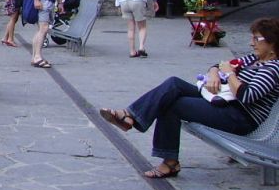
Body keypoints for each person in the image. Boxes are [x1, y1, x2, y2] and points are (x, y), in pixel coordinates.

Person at [100, 17, 279, 179]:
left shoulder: (272, 69)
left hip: (240, 116)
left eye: (257, 39)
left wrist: (229, 74)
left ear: (272, 43)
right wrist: (214, 73)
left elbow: (247, 95)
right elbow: (220, 65)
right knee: (173, 84)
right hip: (224, 101)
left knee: (174, 105)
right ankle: (130, 115)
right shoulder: (254, 59)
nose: (251, 43)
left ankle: (168, 162)